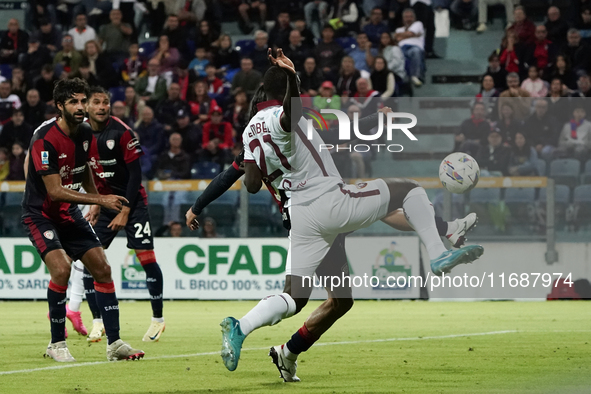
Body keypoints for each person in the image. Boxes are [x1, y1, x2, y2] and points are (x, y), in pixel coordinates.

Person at [215, 49, 483, 380]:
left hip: (300, 219)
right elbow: (297, 116)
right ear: (286, 93)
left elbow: (253, 184)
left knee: (306, 297)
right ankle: (440, 251)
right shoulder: (290, 116)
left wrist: (370, 122)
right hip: (329, 202)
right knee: (410, 189)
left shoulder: (250, 132)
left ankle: (256, 336)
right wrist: (294, 76)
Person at [22, 78, 144, 362]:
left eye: (83, 101)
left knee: (102, 268)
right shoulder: (44, 138)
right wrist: (101, 199)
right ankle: (56, 344)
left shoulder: (86, 131)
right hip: (40, 214)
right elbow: (53, 190)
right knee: (62, 270)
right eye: (74, 102)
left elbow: (83, 168)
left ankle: (114, 344)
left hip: (69, 213)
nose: (81, 107)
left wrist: (93, 195)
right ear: (59, 106)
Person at [85, 86, 165, 342]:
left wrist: (126, 211)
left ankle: (157, 320)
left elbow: (135, 175)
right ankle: (98, 321)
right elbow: (88, 170)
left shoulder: (122, 132)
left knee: (146, 260)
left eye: (105, 102)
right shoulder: (82, 134)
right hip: (107, 203)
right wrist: (96, 201)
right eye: (96, 102)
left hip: (133, 205)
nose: (101, 107)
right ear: (87, 106)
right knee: (90, 261)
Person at [395, 8, 425, 87]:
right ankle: (401, 79)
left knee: (415, 51)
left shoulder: (418, 24)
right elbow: (396, 38)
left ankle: (415, 76)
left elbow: (410, 33)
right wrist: (413, 35)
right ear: (403, 19)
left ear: (414, 18)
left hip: (414, 47)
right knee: (396, 54)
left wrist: (405, 35)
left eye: (410, 17)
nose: (408, 19)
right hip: (401, 48)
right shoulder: (399, 29)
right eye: (406, 17)